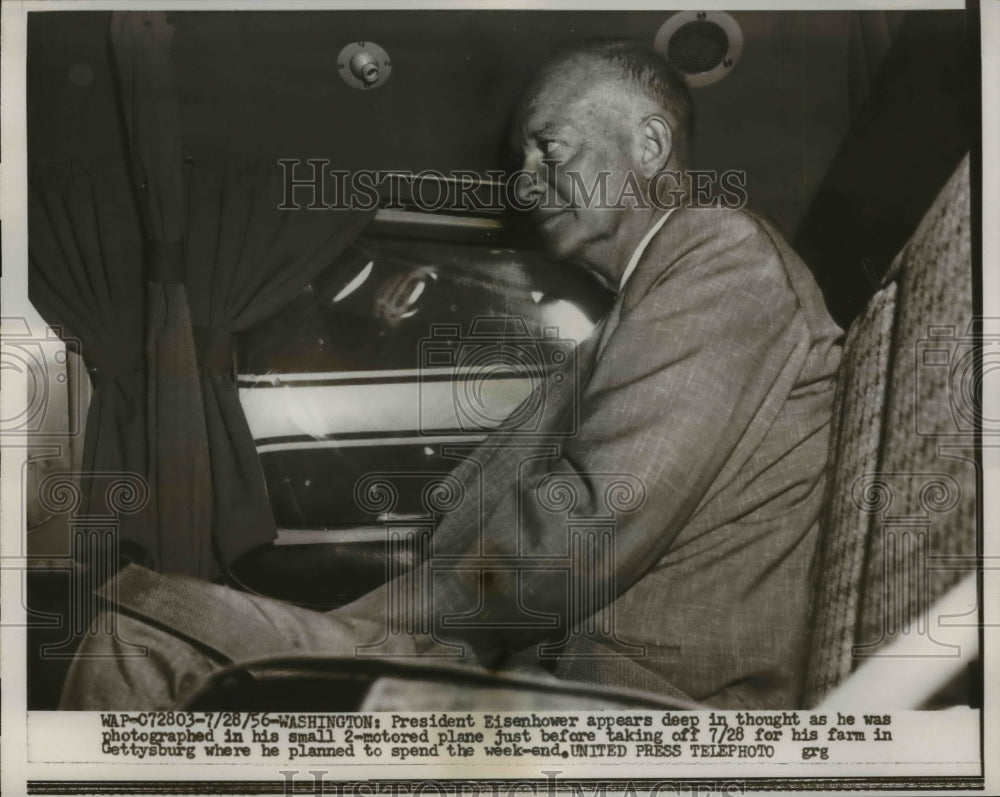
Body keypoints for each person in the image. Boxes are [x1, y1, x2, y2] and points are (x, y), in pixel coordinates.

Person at [60, 40, 842, 710]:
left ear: (646, 144)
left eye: (552, 148)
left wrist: (365, 625)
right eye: (522, 161)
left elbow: (583, 531)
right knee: (152, 618)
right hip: (549, 661)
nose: (527, 182)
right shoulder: (642, 309)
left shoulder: (720, 255)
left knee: (144, 630)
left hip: (642, 698)